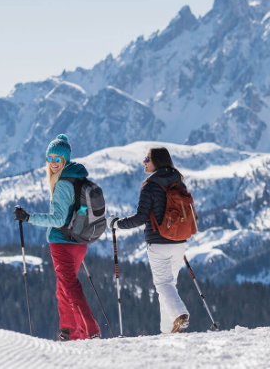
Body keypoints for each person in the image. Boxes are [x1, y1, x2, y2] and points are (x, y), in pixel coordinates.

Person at [14, 134, 100, 341]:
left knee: (69, 285)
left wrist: (29, 217)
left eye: (57, 158)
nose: (53, 163)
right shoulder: (78, 178)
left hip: (62, 242)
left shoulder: (62, 184)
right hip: (79, 242)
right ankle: (70, 331)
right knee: (63, 289)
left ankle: (90, 330)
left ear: (65, 159)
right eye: (50, 158)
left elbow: (59, 218)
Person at [107, 147, 190, 334]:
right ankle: (168, 330)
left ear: (157, 162)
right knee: (169, 285)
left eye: (147, 158)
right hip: (179, 241)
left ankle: (181, 315)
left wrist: (116, 224)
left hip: (158, 242)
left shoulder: (150, 185)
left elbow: (140, 217)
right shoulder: (179, 182)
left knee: (163, 284)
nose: (144, 162)